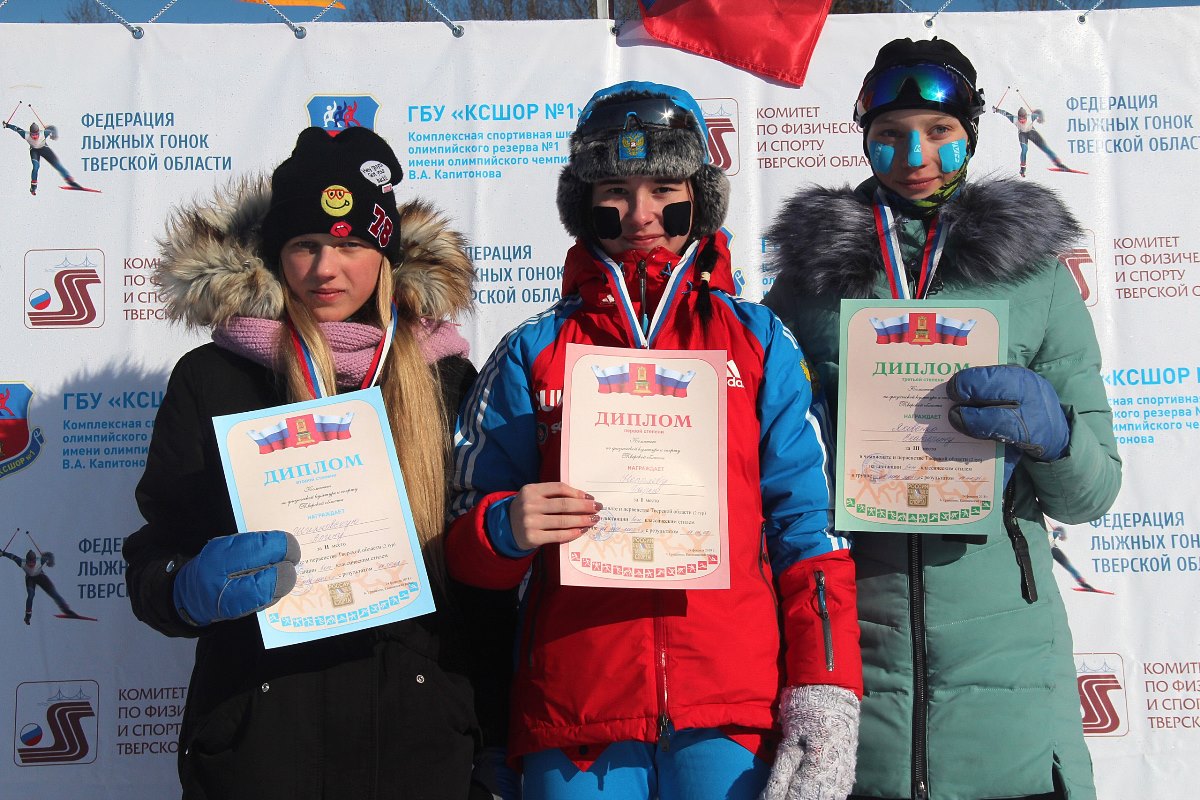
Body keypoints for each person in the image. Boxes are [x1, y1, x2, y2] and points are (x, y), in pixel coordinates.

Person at [447, 81, 862, 800]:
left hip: (730, 711)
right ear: (583, 202)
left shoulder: (758, 341)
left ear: (701, 194)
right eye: (613, 188)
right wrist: (504, 527)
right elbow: (462, 547)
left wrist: (826, 691)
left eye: (664, 186)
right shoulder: (533, 350)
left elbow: (809, 532)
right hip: (574, 714)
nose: (640, 214)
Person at [764, 38, 1122, 800]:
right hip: (860, 665)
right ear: (863, 135)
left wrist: (1053, 432)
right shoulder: (807, 283)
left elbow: (1091, 493)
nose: (913, 154)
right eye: (888, 134)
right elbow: (766, 457)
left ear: (972, 133)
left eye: (937, 131)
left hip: (1011, 705)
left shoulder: (1034, 275)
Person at [122, 126, 515, 800]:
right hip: (263, 739)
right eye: (305, 245)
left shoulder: (447, 378)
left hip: (419, 744)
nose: (325, 269)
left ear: (386, 254)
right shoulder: (213, 378)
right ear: (276, 255)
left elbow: (477, 588)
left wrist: (499, 735)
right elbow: (153, 558)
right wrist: (186, 586)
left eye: (350, 245)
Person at [1, 543, 80, 624]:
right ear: (26, 561)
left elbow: (50, 555)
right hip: (30, 579)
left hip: (41, 577)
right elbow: (12, 556)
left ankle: (67, 611)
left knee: (54, 594)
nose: (31, 564)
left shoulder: (40, 561)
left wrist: (50, 561)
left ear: (35, 560)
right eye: (29, 562)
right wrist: (3, 553)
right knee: (30, 596)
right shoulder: (21, 562)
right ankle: (27, 616)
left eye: (33, 562)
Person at [3, 119, 82, 194]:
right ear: (30, 133)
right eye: (33, 135)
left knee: (57, 164)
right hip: (34, 151)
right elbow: (16, 129)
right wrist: (7, 125)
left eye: (36, 134)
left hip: (44, 149)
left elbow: (52, 128)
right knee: (35, 167)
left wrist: (54, 135)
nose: (35, 137)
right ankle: (33, 187)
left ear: (38, 132)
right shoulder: (25, 135)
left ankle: (69, 180)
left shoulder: (44, 133)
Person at [992, 105, 1071, 176]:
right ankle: (1023, 169)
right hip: (1022, 134)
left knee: (1045, 148)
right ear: (1018, 117)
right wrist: (997, 110)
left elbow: (1039, 112)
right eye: (1020, 119)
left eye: (1024, 119)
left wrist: (1040, 118)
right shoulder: (1014, 119)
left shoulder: (1031, 117)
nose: (1022, 121)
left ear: (1026, 117)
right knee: (1024, 150)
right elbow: (1005, 113)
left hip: (1031, 132)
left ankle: (1059, 164)